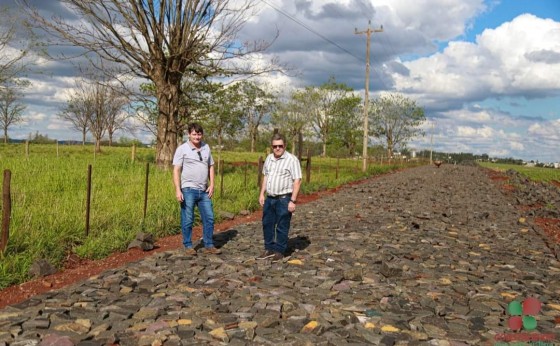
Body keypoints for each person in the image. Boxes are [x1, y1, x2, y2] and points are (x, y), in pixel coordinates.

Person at [173, 123, 221, 256]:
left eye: (199, 134)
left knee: (209, 217)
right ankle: (188, 245)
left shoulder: (206, 148)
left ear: (202, 134)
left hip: (204, 190)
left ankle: (209, 244)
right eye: (194, 134)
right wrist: (178, 189)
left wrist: (212, 184)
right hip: (188, 189)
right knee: (188, 218)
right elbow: (176, 169)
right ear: (189, 134)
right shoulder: (182, 149)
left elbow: (211, 166)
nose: (197, 136)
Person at [258, 133, 302, 262]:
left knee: (282, 225)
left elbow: (297, 180)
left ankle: (279, 251)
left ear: (285, 146)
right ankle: (269, 248)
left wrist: (293, 200)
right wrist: (262, 193)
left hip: (284, 198)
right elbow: (265, 176)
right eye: (275, 146)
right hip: (270, 198)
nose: (277, 148)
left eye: (280, 146)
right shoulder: (269, 159)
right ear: (272, 147)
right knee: (267, 224)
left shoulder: (292, 160)